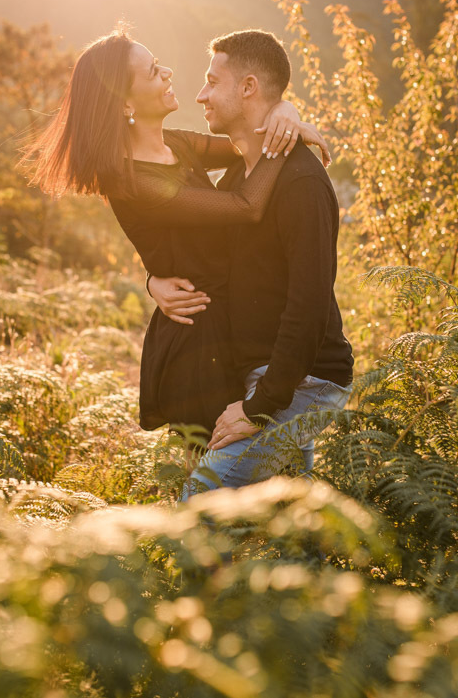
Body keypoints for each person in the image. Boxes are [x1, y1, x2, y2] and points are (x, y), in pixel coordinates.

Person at [27, 28, 331, 438]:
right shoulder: (135, 181)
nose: (168, 72)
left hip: (228, 334)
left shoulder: (177, 145)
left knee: (255, 485)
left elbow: (248, 138)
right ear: (126, 103)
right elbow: (247, 205)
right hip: (196, 345)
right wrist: (284, 137)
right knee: (212, 487)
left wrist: (284, 111)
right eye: (154, 71)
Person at [148, 29, 355, 499]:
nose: (200, 95)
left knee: (203, 494)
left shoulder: (302, 181)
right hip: (264, 376)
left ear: (247, 88)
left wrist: (257, 407)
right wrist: (152, 281)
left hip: (303, 380)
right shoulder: (244, 174)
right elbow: (207, 257)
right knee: (289, 523)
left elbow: (308, 307)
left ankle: (188, 576)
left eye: (211, 81)